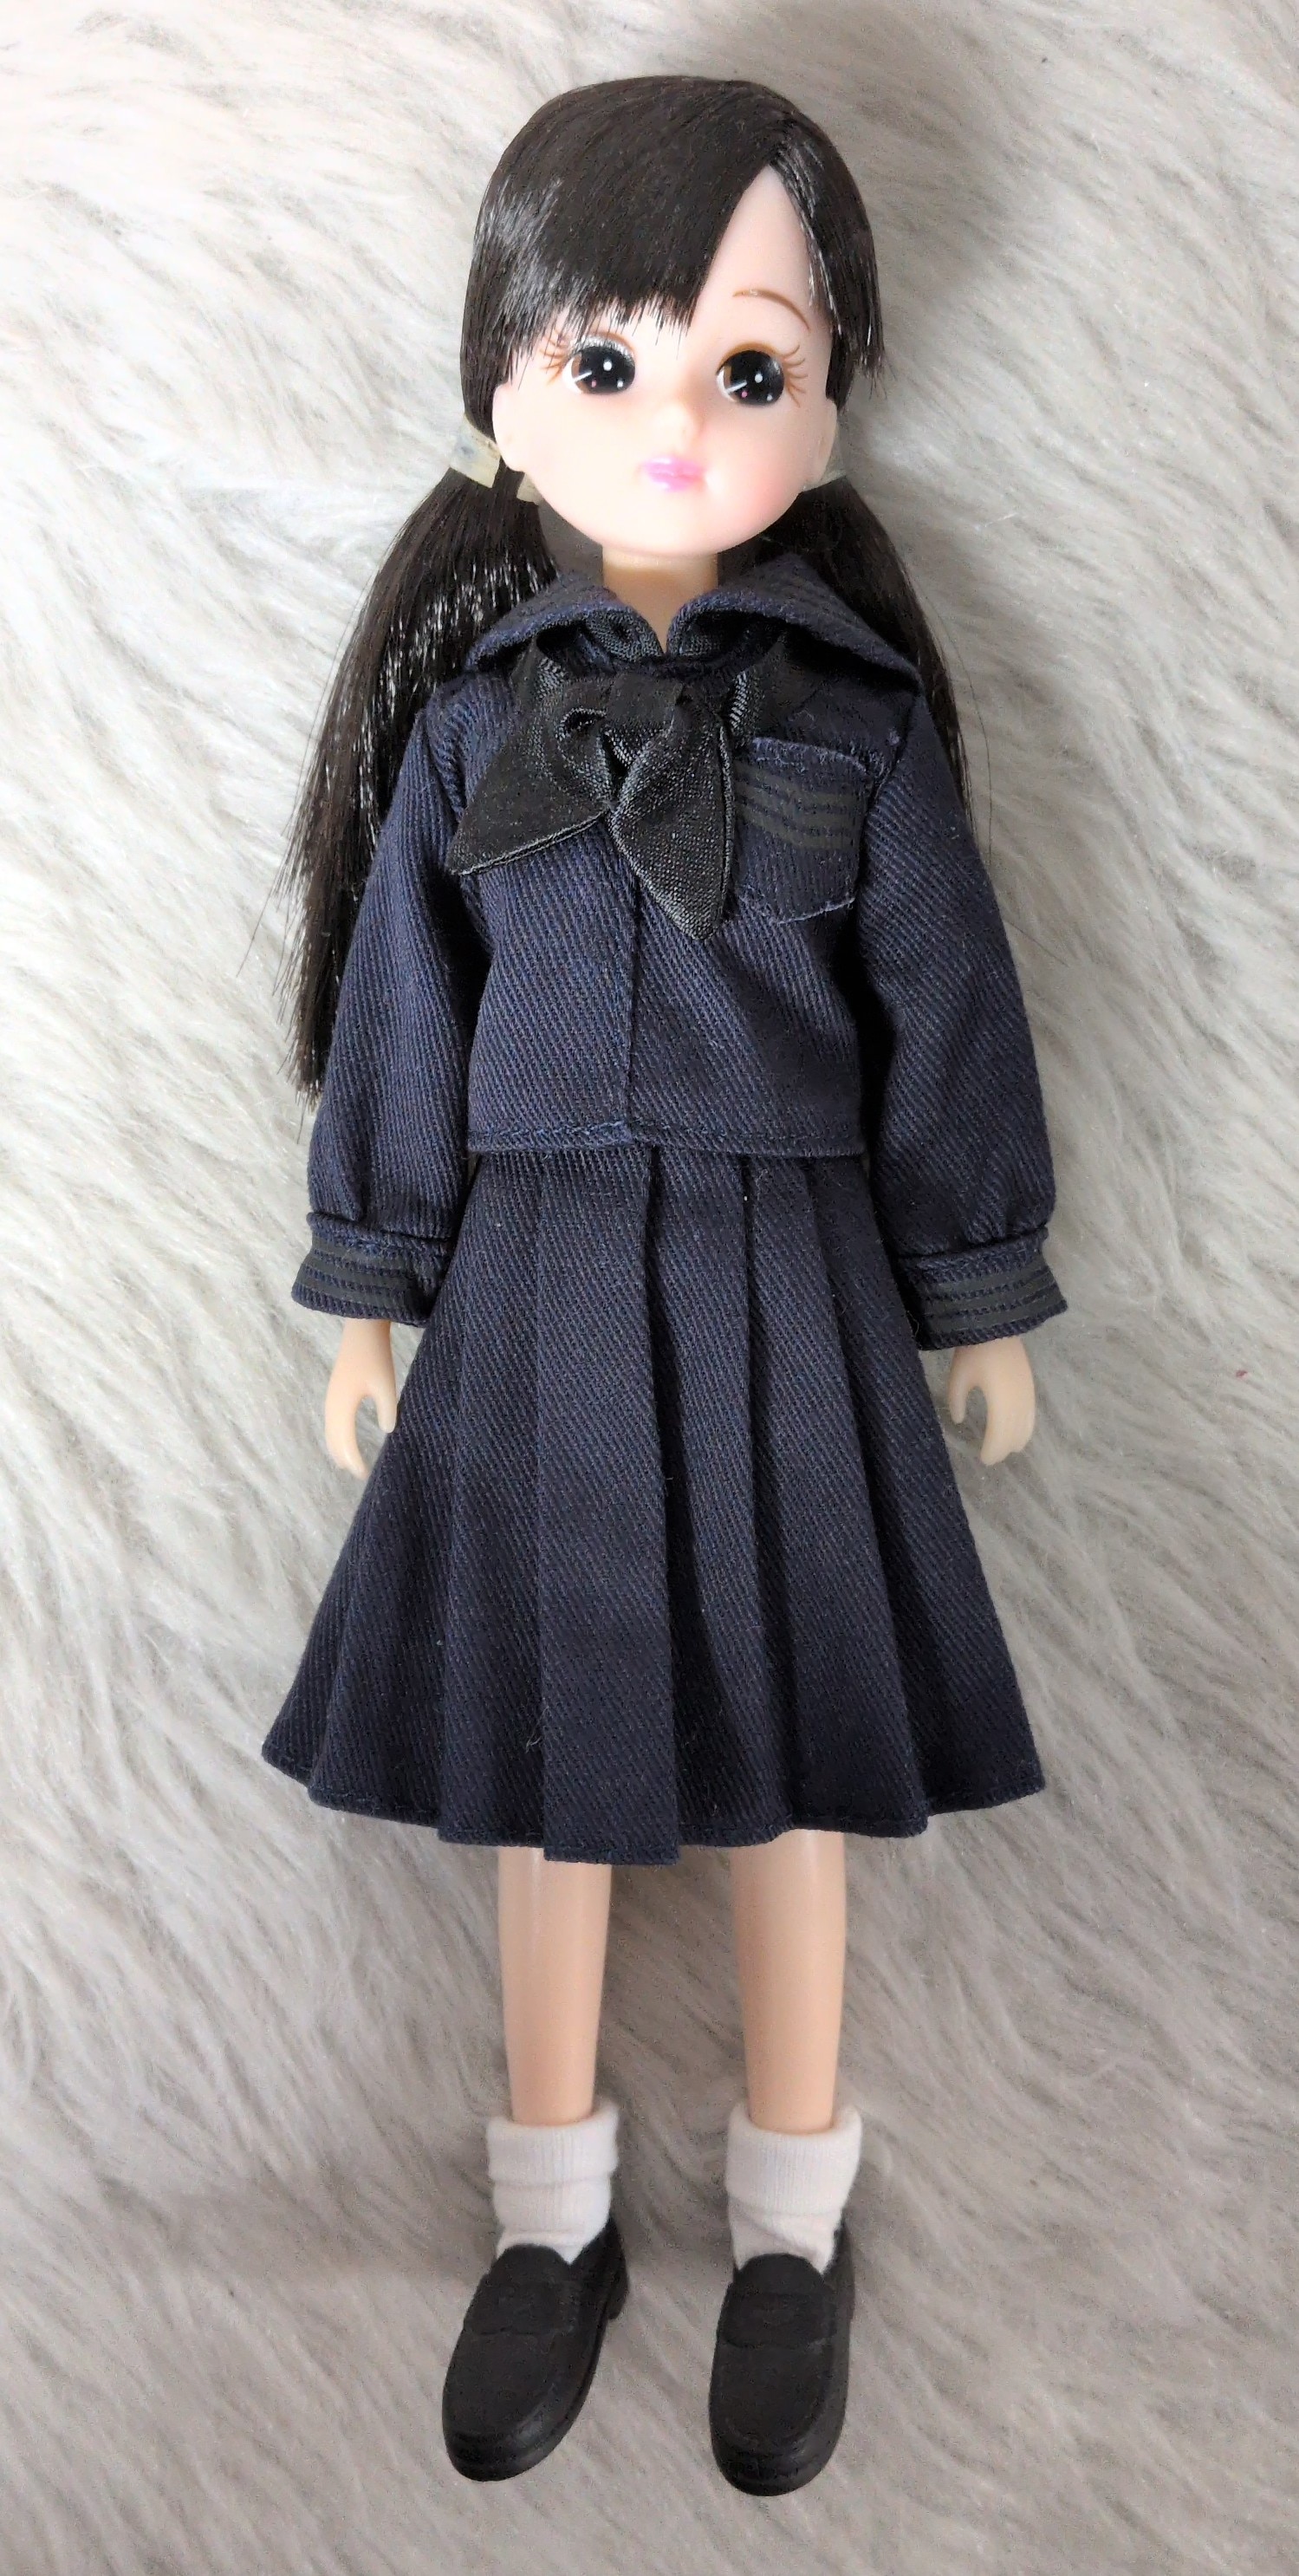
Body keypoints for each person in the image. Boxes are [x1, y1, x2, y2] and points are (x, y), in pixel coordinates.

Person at [263, 75, 1066, 2495]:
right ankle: (552, 2215)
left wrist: (975, 1289)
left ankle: (792, 2215)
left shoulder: (862, 725)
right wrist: (373, 1278)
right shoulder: (469, 734)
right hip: (529, 1281)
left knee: (793, 1760)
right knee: (549, 1760)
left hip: (793, 1272)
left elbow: (949, 1014)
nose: (682, 423)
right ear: (501, 396)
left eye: (751, 364)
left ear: (829, 396)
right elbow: (400, 1012)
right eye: (605, 362)